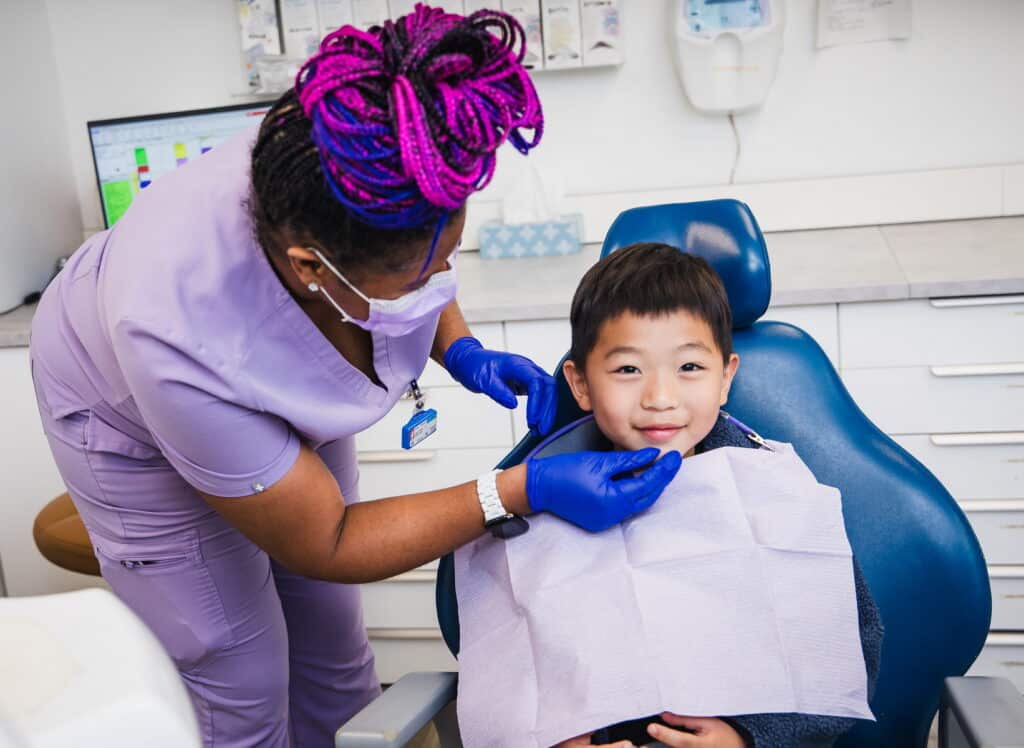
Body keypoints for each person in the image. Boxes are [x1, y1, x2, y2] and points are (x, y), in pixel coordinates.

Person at [28, 9, 681, 747]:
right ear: (312, 268)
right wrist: (518, 489)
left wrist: (459, 348)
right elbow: (328, 538)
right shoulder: (171, 328)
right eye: (425, 274)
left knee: (334, 644)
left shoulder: (358, 164)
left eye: (449, 257)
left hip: (262, 345)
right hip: (121, 406)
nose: (443, 280)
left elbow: (409, 250)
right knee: (239, 673)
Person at [551, 244, 883, 748]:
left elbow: (846, 647)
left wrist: (749, 738)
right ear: (580, 383)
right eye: (627, 370)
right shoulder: (549, 493)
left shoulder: (779, 493)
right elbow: (526, 651)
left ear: (725, 377)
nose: (660, 397)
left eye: (689, 368)